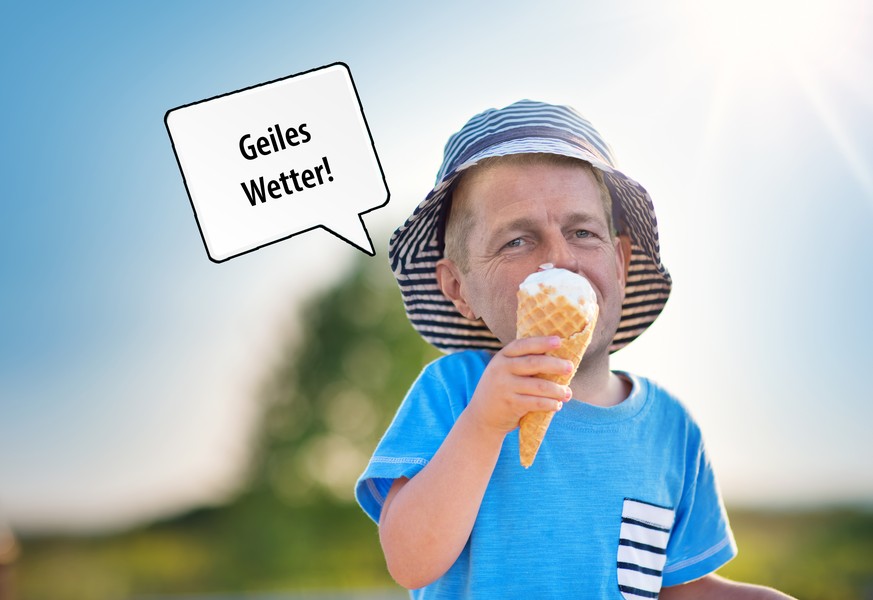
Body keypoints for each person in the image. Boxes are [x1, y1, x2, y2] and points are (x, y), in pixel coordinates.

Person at [355, 100, 793, 599]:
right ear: (459, 288)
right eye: (518, 241)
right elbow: (411, 561)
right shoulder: (453, 392)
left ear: (621, 262)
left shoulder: (672, 429)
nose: (561, 259)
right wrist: (483, 425)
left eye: (583, 233)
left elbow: (675, 590)